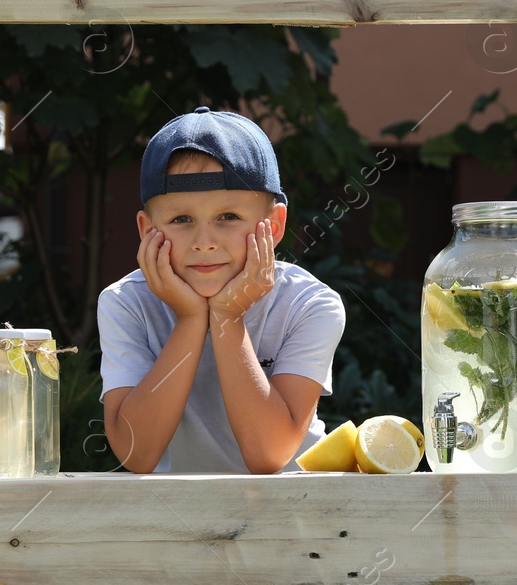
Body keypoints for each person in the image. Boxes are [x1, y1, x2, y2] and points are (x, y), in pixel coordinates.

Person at [98, 107, 346, 473]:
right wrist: (190, 319)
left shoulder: (310, 305)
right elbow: (137, 453)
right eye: (181, 220)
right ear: (146, 229)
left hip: (295, 509)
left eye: (228, 217)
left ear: (274, 226)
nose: (204, 242)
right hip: (181, 516)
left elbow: (270, 455)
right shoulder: (126, 303)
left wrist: (229, 317)